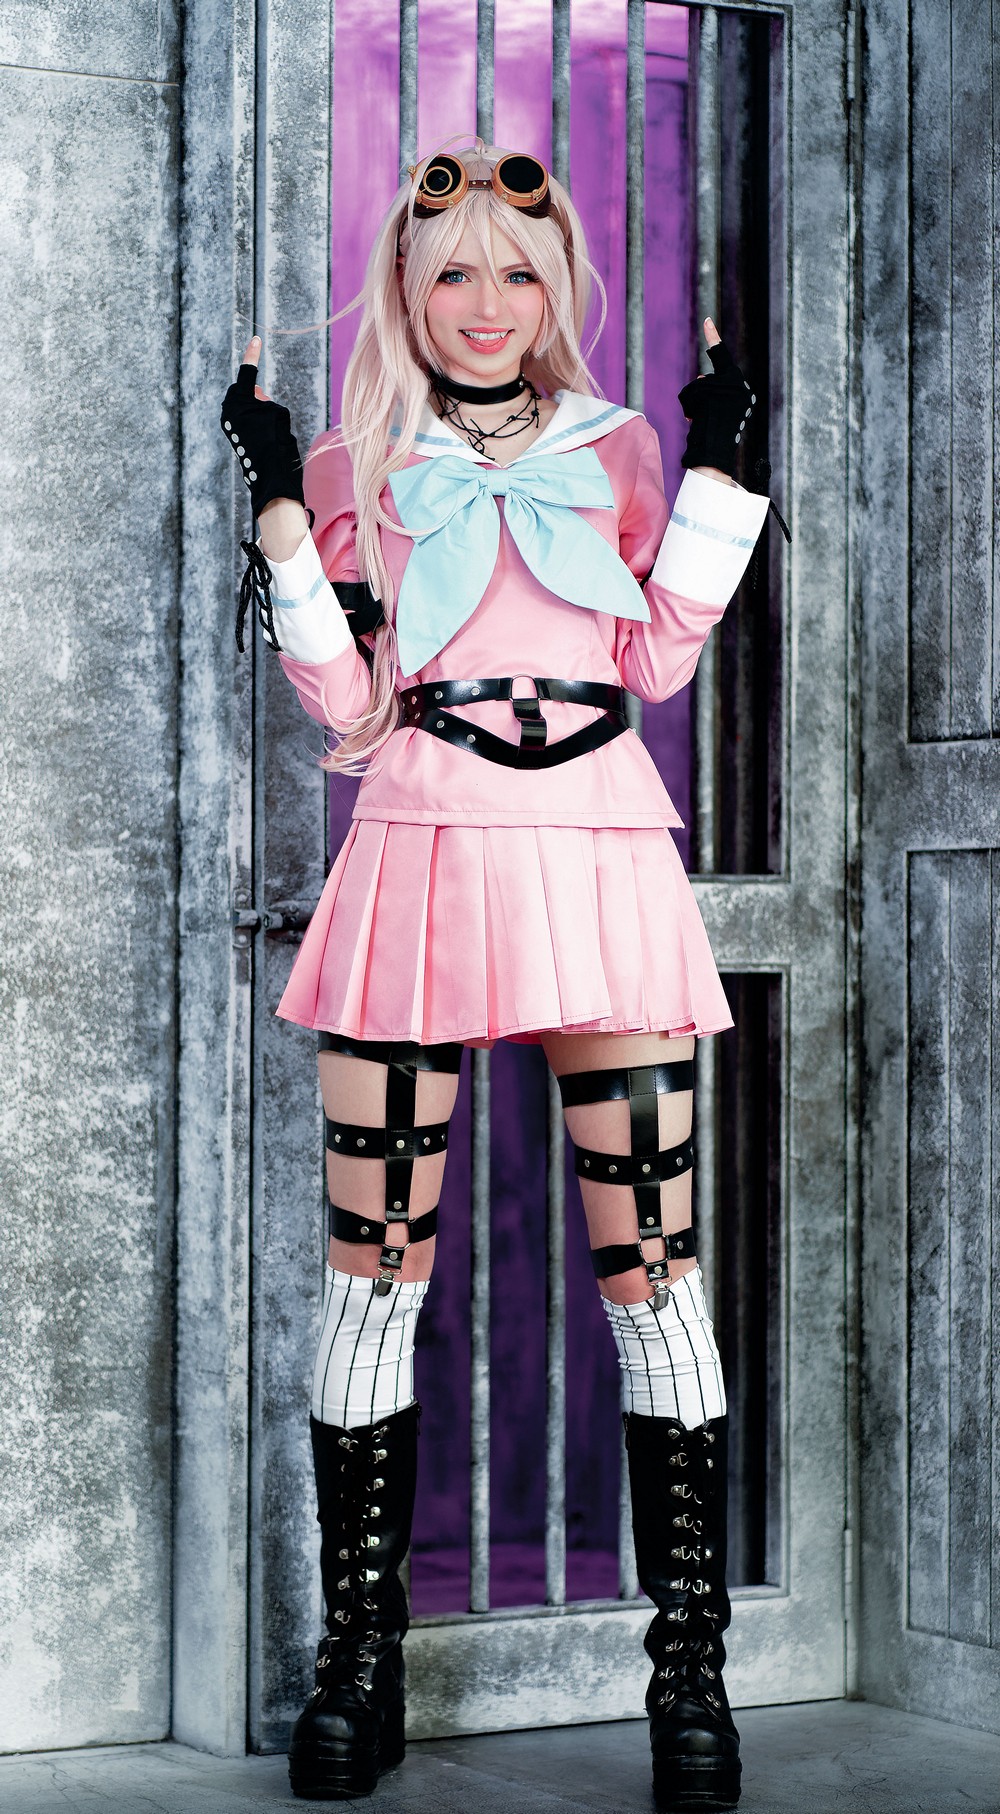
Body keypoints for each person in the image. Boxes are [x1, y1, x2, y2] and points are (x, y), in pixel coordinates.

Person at [220, 140, 779, 1813]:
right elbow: (348, 712)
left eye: (518, 271)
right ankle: (361, 1662)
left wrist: (720, 477)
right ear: (406, 284)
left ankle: (690, 1677)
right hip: (419, 844)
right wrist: (281, 517)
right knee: (374, 1270)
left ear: (559, 289)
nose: (485, 302)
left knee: (655, 1267)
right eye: (452, 267)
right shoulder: (357, 459)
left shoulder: (618, 450)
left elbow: (658, 659)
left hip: (602, 846)